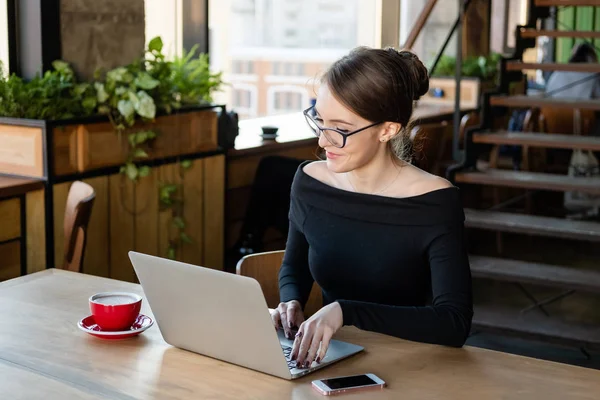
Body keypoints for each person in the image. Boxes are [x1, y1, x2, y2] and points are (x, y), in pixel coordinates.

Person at [269, 46, 473, 369]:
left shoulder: (434, 201)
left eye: (340, 129)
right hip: (329, 358)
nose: (323, 141)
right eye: (319, 120)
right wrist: (290, 300)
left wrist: (345, 311)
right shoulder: (309, 182)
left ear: (388, 129)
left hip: (408, 363)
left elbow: (453, 323)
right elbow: (294, 267)